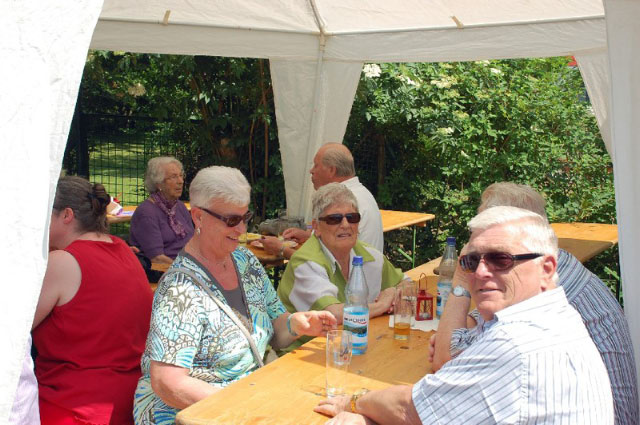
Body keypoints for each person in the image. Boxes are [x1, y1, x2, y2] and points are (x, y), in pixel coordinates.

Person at [315, 206, 614, 424]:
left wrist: (354, 403)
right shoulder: (556, 317)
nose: (480, 272)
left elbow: (412, 409)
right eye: (471, 261)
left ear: (546, 269)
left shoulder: (516, 342)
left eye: (500, 259)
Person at [133, 166, 337, 425]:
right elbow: (167, 382)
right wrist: (239, 406)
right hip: (189, 413)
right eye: (231, 220)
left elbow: (275, 330)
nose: (241, 229)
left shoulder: (245, 261)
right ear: (198, 217)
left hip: (247, 401)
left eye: (245, 217)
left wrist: (296, 324)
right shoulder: (179, 289)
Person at [431, 182, 638, 425]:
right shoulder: (545, 266)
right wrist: (465, 333)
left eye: (497, 255)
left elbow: (446, 359)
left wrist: (462, 273)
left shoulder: (541, 282)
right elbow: (477, 327)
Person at [32, 176, 153, 425]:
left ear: (66, 215)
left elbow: (13, 330)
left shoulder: (62, 262)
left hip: (73, 405)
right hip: (130, 400)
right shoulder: (123, 249)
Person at [277, 183, 402, 350]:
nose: (345, 224)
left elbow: (406, 284)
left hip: (353, 346)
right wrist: (383, 304)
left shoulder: (370, 255)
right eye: (334, 219)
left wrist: (394, 291)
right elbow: (333, 314)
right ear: (316, 227)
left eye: (352, 217)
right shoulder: (305, 262)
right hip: (303, 355)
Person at [262, 142, 383, 257]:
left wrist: (281, 250)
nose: (311, 171)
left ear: (331, 170)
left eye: (316, 165)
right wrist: (308, 236)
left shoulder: (340, 201)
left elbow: (322, 264)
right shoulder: (362, 193)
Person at [130, 156, 194, 266]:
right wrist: (187, 271)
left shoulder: (179, 206)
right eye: (173, 177)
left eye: (180, 176)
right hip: (168, 271)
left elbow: (194, 241)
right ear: (159, 184)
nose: (180, 181)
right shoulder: (147, 213)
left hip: (190, 264)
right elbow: (157, 259)